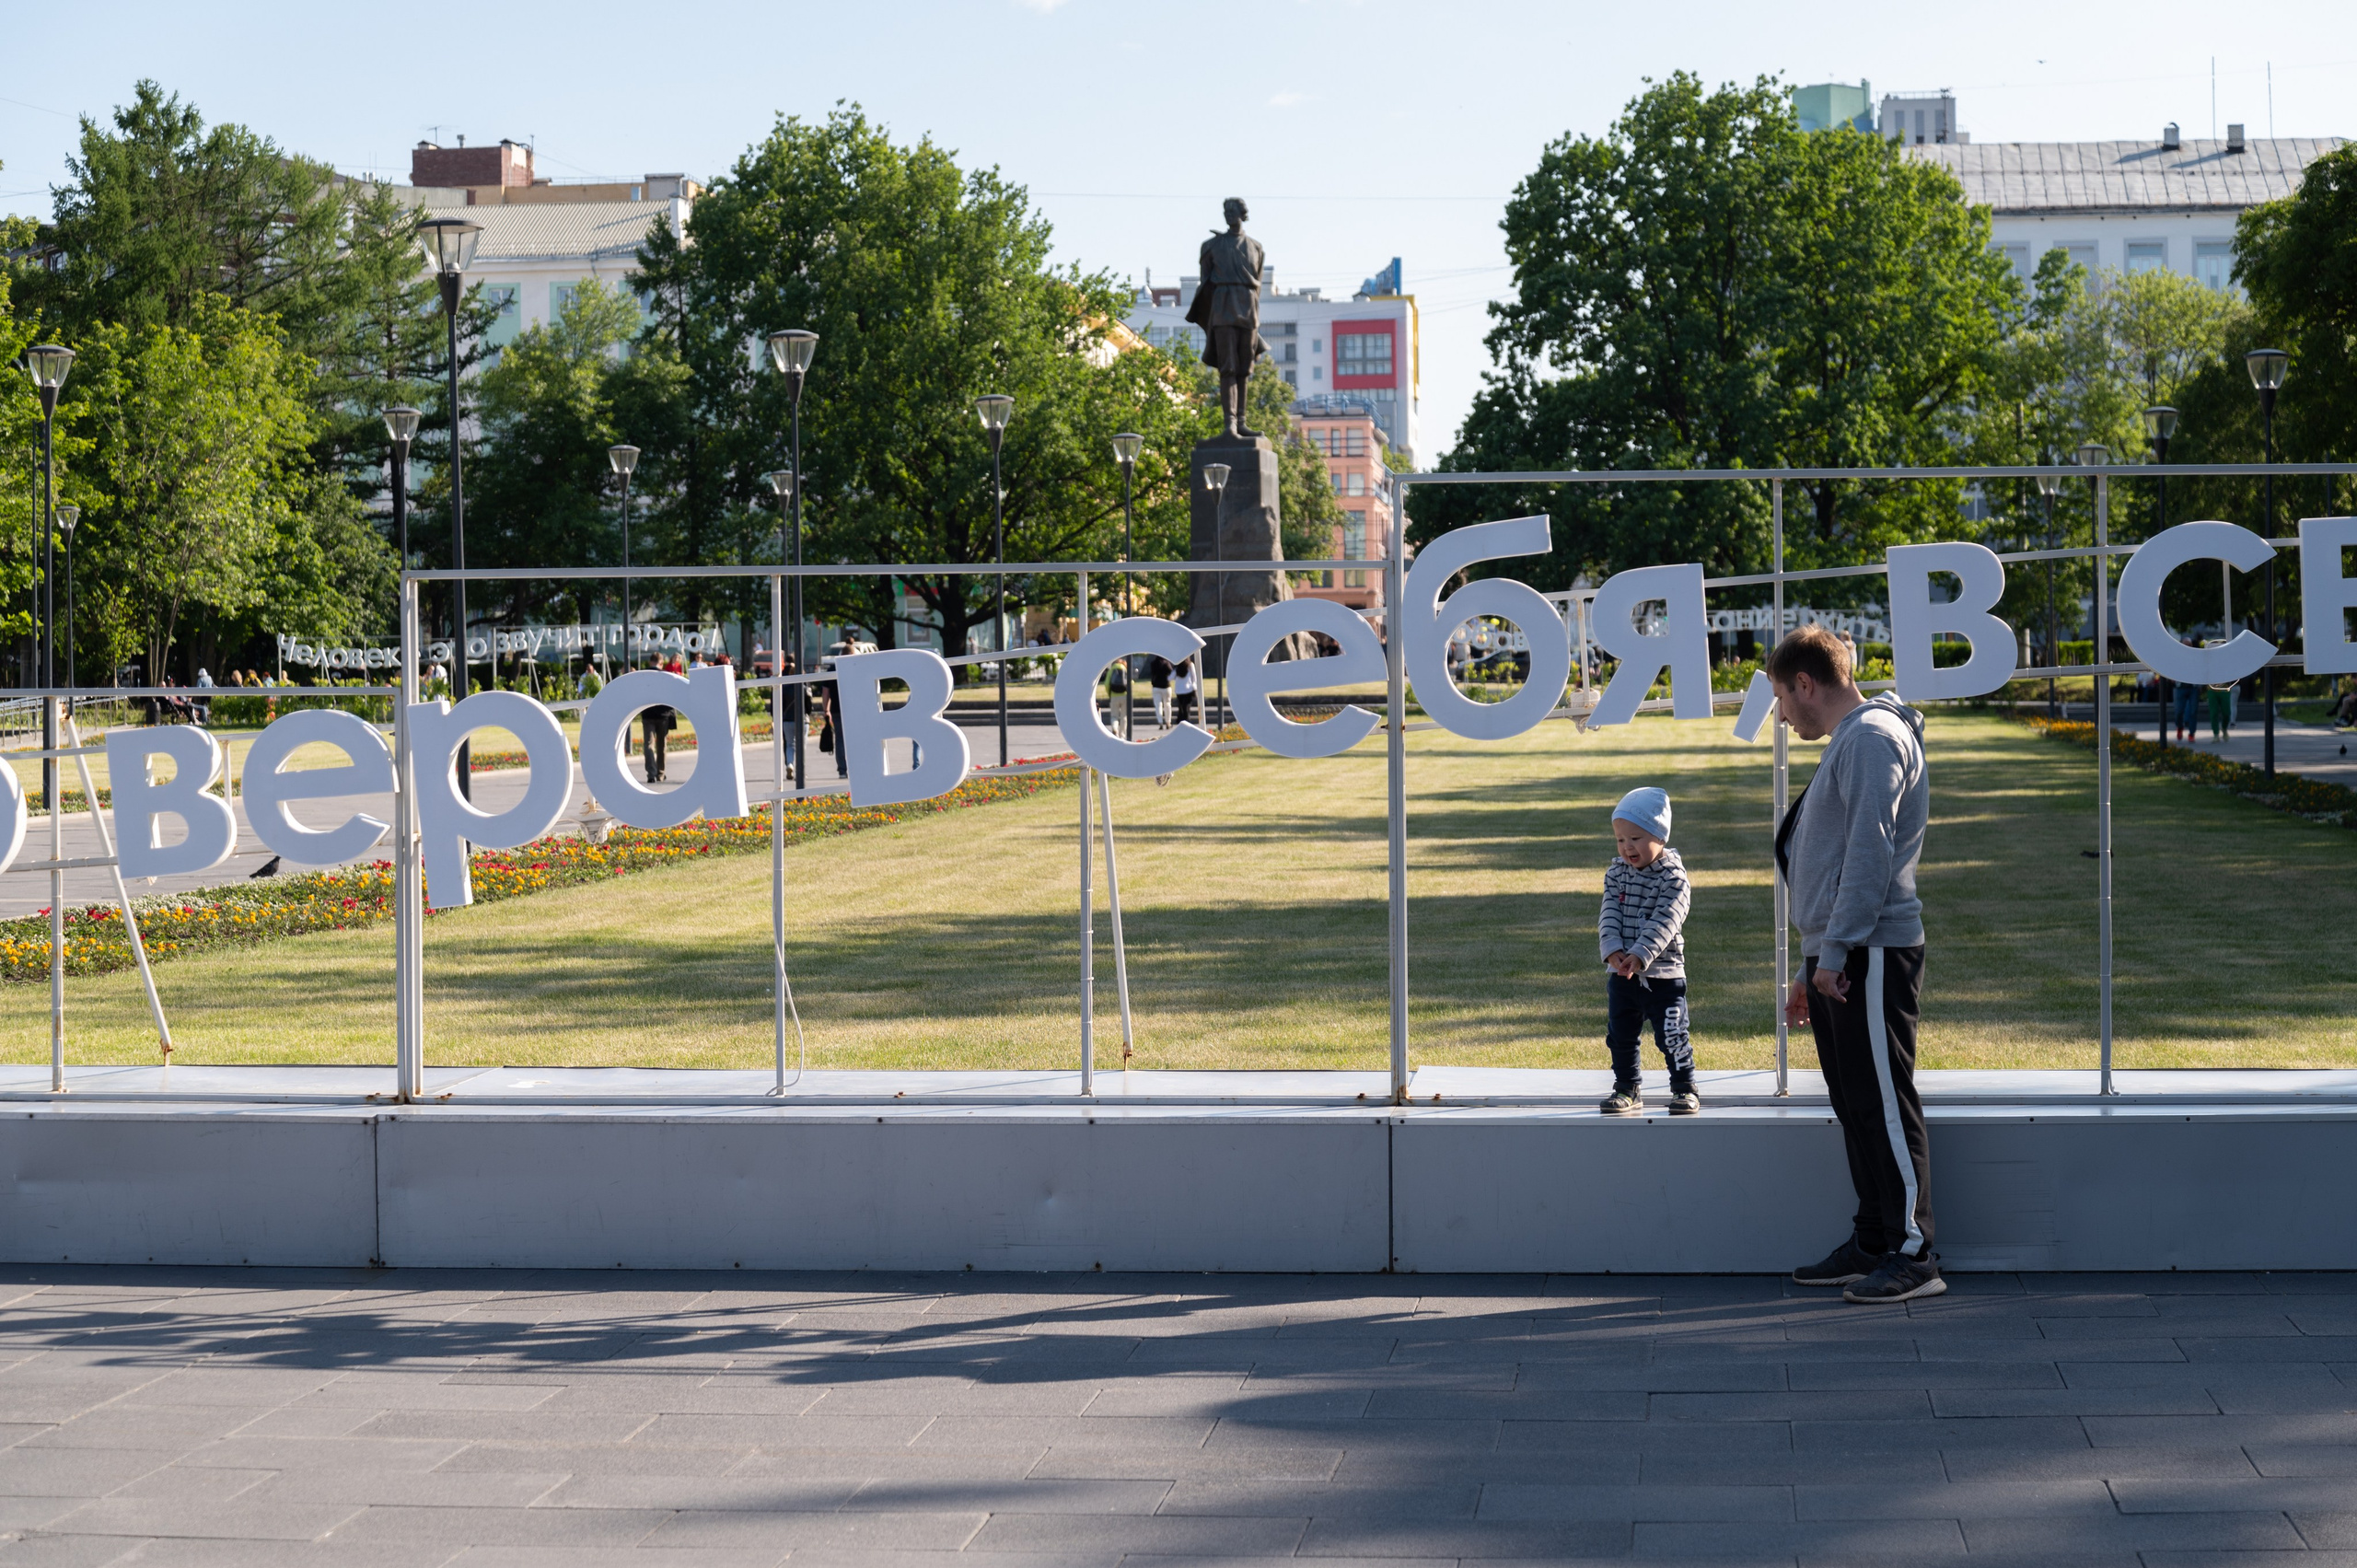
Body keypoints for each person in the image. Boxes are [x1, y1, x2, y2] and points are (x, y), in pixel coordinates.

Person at [1769, 623, 1941, 1305]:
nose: (1782, 714)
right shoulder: (1855, 738)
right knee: (1857, 1104)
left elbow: (1868, 855)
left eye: (1783, 697)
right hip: (1843, 950)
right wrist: (1815, 955)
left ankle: (1914, 1251)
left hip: (1870, 949)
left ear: (1806, 684)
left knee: (1885, 1106)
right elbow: (1832, 856)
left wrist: (1835, 951)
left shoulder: (1871, 737)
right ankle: (1874, 1238)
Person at [1596, 786, 1699, 1117]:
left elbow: (1666, 921)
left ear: (1660, 836)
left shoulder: (1674, 878)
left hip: (1663, 976)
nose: (1627, 847)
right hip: (1622, 975)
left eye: (1636, 838)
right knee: (1620, 1035)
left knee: (1672, 1035)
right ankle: (1627, 1087)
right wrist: (1612, 949)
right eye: (1620, 840)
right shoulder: (1616, 873)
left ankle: (1684, 1088)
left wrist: (1640, 954)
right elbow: (1608, 911)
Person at [1172, 657, 1200, 727]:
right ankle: (1186, 719)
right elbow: (1194, 677)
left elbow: (1171, 677)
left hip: (1179, 689)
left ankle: (1181, 720)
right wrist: (1194, 686)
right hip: (1188, 689)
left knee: (1181, 705)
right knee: (1186, 706)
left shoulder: (1177, 666)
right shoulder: (1190, 665)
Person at [1149, 656, 1174, 729]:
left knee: (1158, 705)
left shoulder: (1153, 663)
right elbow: (1170, 671)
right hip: (1166, 686)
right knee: (1167, 704)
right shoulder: (1166, 663)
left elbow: (1152, 673)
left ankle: (1160, 722)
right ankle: (1168, 722)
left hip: (1156, 686)